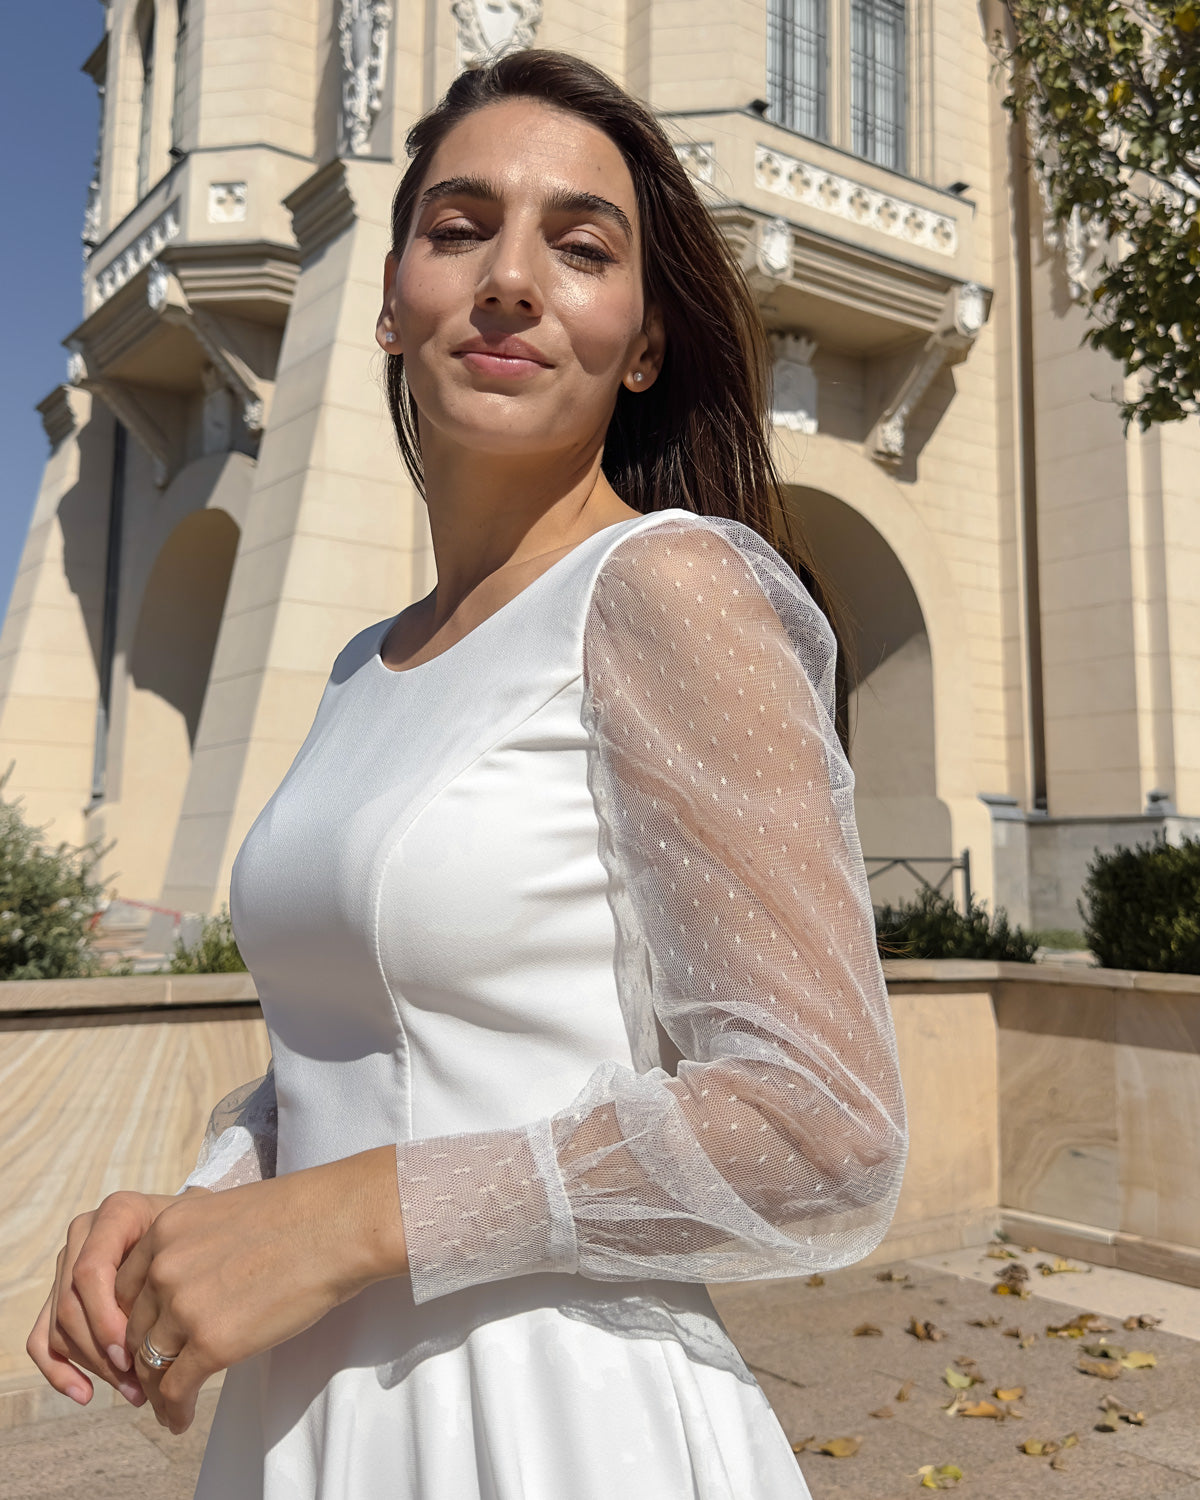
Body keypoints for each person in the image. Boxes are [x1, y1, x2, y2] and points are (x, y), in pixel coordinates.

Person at [28, 49, 908, 1499]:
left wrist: (355, 1223)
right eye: (458, 228)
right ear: (388, 301)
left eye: (580, 246)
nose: (512, 280)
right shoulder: (365, 665)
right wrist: (202, 1208)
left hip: (555, 1421)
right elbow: (367, 1050)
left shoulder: (671, 587)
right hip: (307, 1420)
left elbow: (824, 1133)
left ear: (641, 343)